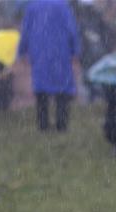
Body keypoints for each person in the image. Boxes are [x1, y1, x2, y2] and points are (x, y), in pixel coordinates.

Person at [18, 0, 80, 132]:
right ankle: (61, 123)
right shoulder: (63, 6)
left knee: (41, 88)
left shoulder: (32, 7)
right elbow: (71, 29)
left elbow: (26, 30)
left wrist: (22, 51)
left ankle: (43, 124)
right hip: (60, 51)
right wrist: (75, 49)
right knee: (62, 88)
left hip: (39, 52)